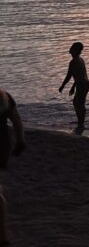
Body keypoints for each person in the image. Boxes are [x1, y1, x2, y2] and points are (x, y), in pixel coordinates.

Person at [0, 88, 27, 246]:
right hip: (2, 145)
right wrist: (20, 141)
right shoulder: (4, 97)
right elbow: (16, 121)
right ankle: (2, 235)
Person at [58, 41, 89, 134]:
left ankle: (81, 123)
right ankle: (81, 122)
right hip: (84, 83)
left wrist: (63, 86)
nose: (70, 49)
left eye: (72, 47)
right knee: (79, 103)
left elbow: (69, 75)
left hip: (82, 84)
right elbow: (78, 75)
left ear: (75, 50)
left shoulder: (73, 62)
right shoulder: (80, 59)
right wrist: (73, 87)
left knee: (78, 103)